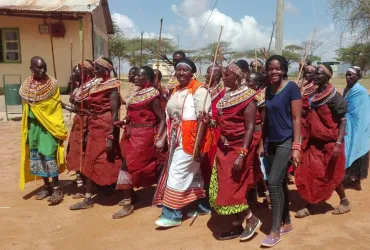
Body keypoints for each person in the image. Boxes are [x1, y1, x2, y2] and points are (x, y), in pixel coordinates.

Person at [153, 58, 214, 227]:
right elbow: (171, 116)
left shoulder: (199, 90)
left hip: (191, 139)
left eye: (184, 70)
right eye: (178, 70)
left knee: (177, 173)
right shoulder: (177, 90)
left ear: (192, 73)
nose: (180, 73)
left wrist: (198, 147)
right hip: (177, 137)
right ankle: (201, 205)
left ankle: (172, 215)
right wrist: (165, 137)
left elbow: (203, 120)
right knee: (191, 173)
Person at [208, 60, 262, 241]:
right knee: (223, 186)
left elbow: (249, 128)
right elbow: (223, 123)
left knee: (231, 187)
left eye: (227, 75)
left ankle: (251, 219)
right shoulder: (227, 96)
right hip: (224, 147)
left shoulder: (249, 98)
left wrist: (242, 154)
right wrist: (210, 122)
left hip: (239, 148)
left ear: (238, 77)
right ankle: (236, 226)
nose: (223, 77)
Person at [295, 64, 351, 217]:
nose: (315, 76)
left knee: (331, 173)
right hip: (314, 142)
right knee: (309, 172)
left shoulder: (335, 97)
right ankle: (310, 203)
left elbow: (343, 121)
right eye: (315, 74)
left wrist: (338, 144)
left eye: (319, 74)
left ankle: (344, 201)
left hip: (331, 142)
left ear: (328, 76)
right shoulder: (313, 94)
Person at [112, 66, 166, 219]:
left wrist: (159, 137)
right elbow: (132, 115)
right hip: (130, 133)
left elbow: (161, 118)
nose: (135, 77)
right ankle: (130, 196)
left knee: (129, 165)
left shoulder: (153, 95)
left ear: (147, 79)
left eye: (139, 76)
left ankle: (128, 202)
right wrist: (123, 122)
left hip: (145, 135)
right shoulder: (135, 93)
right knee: (126, 162)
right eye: (136, 75)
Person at [70, 57, 123, 210]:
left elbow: (114, 114)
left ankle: (126, 192)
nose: (94, 70)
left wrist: (111, 136)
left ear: (106, 69)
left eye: (97, 67)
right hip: (94, 125)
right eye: (94, 67)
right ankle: (89, 197)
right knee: (90, 160)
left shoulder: (112, 87)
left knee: (109, 160)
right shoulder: (96, 84)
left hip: (106, 126)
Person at [261, 55, 301, 247]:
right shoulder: (267, 90)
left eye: (277, 68)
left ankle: (275, 230)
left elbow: (296, 119)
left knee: (274, 183)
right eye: (270, 69)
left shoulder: (292, 88)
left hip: (286, 140)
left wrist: (296, 146)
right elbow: (266, 119)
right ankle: (287, 222)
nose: (274, 72)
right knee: (281, 182)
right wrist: (263, 143)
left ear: (284, 70)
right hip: (271, 142)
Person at [19, 56, 67, 205]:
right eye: (39, 68)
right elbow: (26, 105)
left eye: (44, 67)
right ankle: (46, 186)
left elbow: (53, 107)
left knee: (48, 155)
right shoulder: (26, 84)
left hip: (48, 126)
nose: (43, 70)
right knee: (37, 155)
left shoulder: (52, 84)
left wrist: (38, 109)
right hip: (34, 126)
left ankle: (57, 188)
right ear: (31, 69)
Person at [66, 60, 96, 191]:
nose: (74, 73)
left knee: (86, 150)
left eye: (76, 70)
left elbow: (88, 108)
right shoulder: (79, 86)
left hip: (88, 122)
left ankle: (88, 182)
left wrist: (67, 106)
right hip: (78, 122)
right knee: (75, 150)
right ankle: (80, 180)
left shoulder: (93, 86)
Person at [343, 66, 370, 190]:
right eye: (347, 74)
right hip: (349, 123)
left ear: (358, 77)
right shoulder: (347, 89)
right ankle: (348, 177)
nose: (348, 77)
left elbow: (363, 111)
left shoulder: (360, 91)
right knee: (348, 147)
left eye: (351, 75)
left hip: (358, 124)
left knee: (358, 146)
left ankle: (355, 179)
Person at [200, 65, 225, 189]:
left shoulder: (224, 92)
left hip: (215, 131)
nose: (207, 74)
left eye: (210, 72)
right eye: (207, 71)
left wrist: (212, 122)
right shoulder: (202, 89)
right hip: (201, 129)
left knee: (212, 160)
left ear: (218, 76)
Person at [249, 72, 270, 204]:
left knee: (258, 166)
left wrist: (261, 143)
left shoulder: (261, 97)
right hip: (249, 135)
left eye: (249, 81)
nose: (246, 83)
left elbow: (263, 122)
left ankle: (268, 195)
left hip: (258, 136)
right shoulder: (247, 96)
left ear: (256, 84)